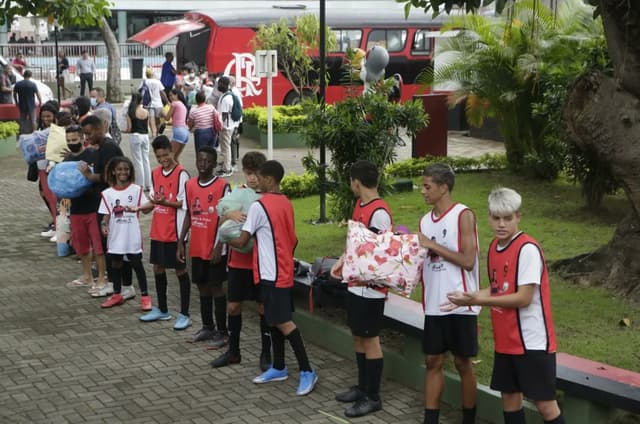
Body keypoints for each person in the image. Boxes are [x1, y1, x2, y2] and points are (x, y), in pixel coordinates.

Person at [445, 187, 565, 424]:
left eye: (507, 218)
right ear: (489, 216)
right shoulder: (494, 248)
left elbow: (523, 298)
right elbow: (498, 289)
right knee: (509, 399)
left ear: (518, 216)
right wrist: (468, 295)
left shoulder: (527, 249)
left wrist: (479, 300)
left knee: (545, 404)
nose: (501, 224)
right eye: (496, 218)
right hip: (506, 342)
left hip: (532, 343)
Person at [227, 160, 318, 396]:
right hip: (283, 270)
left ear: (269, 179)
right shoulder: (286, 202)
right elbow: (292, 238)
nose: (256, 180)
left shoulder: (259, 206)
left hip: (272, 274)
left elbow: (242, 240)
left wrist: (223, 235)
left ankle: (308, 371)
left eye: (260, 176)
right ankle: (278, 367)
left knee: (283, 323)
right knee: (272, 319)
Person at [418, 163, 480, 424]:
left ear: (444, 187)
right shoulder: (424, 220)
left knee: (463, 362)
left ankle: (469, 419)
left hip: (460, 303)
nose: (422, 191)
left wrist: (432, 245)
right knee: (433, 361)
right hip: (433, 304)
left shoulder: (462, 215)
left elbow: (468, 260)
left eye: (427, 186)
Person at [331, 160, 392, 418]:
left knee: (370, 338)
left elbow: (379, 252)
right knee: (358, 335)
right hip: (356, 282)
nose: (350, 185)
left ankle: (373, 396)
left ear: (356, 181)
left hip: (371, 287)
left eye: (350, 181)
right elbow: (356, 244)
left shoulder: (379, 212)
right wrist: (343, 260)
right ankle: (362, 386)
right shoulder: (360, 205)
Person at [210, 151, 272, 370]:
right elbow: (220, 218)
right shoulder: (238, 193)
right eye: (248, 173)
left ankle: (266, 354)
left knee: (263, 307)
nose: (252, 178)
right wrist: (230, 215)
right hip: (238, 262)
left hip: (261, 264)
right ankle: (233, 352)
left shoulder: (269, 197)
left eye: (256, 173)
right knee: (234, 306)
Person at [177, 146, 230, 344]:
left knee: (217, 286)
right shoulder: (190, 185)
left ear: (215, 164)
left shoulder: (223, 186)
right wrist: (181, 241)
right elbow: (189, 214)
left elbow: (226, 219)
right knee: (202, 286)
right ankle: (208, 327)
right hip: (197, 247)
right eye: (200, 160)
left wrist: (219, 247)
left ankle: (223, 332)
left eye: (208, 161)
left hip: (215, 247)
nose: (203, 164)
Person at [138, 135, 192, 326]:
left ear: (172, 151)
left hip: (175, 232)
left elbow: (184, 204)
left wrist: (164, 202)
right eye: (159, 156)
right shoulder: (154, 173)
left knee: (180, 270)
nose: (163, 159)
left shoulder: (182, 174)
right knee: (158, 267)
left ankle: (185, 314)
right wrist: (142, 207)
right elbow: (154, 199)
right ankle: (162, 310)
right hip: (158, 230)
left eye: (165, 155)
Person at [78, 115, 124, 298]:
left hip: (112, 204)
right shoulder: (100, 148)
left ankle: (115, 283)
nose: (86, 138)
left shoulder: (109, 148)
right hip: (103, 202)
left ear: (100, 129)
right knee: (107, 243)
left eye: (89, 133)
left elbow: (110, 176)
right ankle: (113, 281)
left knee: (110, 243)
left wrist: (90, 176)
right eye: (85, 134)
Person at [98, 156, 152, 311]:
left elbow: (147, 208)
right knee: (115, 263)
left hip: (131, 235)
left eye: (126, 169)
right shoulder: (107, 193)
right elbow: (106, 213)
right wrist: (103, 224)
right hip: (116, 236)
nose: (123, 172)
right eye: (120, 169)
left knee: (136, 264)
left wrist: (151, 204)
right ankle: (117, 294)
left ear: (130, 172)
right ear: (114, 172)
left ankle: (145, 296)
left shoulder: (136, 190)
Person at [63, 124, 108, 289]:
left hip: (94, 207)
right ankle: (87, 276)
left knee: (98, 246)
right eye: (68, 140)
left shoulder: (93, 154)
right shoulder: (66, 160)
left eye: (74, 139)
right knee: (81, 246)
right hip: (76, 208)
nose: (72, 142)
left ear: (82, 138)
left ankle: (102, 277)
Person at [125, 92, 151, 191]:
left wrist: (123, 131)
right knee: (145, 160)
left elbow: (129, 128)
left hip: (135, 136)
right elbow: (147, 126)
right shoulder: (146, 112)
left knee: (138, 161)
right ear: (141, 100)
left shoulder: (131, 112)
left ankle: (141, 184)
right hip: (145, 136)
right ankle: (148, 184)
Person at [215, 76, 237, 177]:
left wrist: (219, 126)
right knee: (225, 147)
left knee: (225, 148)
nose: (218, 86)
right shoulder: (227, 95)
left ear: (224, 85)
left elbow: (223, 115)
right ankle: (226, 167)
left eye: (219, 84)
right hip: (229, 126)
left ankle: (227, 169)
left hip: (226, 127)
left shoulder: (225, 98)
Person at [188, 91, 221, 156]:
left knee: (201, 152)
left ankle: (202, 165)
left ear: (196, 100)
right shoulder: (211, 107)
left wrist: (190, 128)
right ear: (205, 99)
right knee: (210, 152)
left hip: (201, 132)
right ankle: (209, 165)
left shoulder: (193, 111)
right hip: (213, 131)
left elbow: (190, 124)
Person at [13, 69, 41, 135]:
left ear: (23, 75)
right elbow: (38, 94)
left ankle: (22, 133)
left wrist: (16, 102)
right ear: (30, 75)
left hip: (22, 105)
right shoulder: (33, 84)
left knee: (22, 120)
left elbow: (14, 94)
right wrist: (40, 102)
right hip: (31, 105)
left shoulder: (18, 84)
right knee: (33, 120)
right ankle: (34, 133)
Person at [139, 67, 165, 138]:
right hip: (158, 103)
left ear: (146, 74)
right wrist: (167, 101)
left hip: (149, 103)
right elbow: (162, 92)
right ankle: (157, 131)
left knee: (151, 119)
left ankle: (154, 133)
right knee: (158, 119)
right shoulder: (157, 81)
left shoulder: (144, 82)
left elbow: (140, 91)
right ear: (153, 74)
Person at [167, 88, 189, 163]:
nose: (170, 97)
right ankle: (181, 173)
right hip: (185, 132)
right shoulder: (183, 105)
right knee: (175, 157)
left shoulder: (174, 103)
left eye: (171, 95)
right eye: (169, 96)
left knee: (170, 156)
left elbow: (167, 117)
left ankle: (173, 174)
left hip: (179, 131)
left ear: (176, 95)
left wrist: (161, 113)